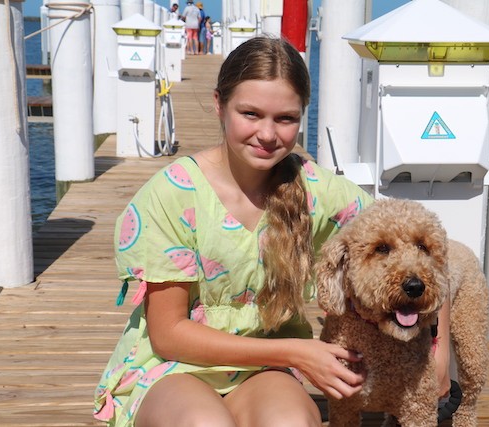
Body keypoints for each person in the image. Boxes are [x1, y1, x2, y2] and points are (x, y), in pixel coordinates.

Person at [93, 36, 451, 426]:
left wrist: (438, 349)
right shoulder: (172, 194)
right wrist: (296, 352)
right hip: (175, 367)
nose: (267, 134)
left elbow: (422, 245)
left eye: (285, 119)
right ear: (219, 104)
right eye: (250, 114)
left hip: (264, 371)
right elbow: (169, 334)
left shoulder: (315, 188)